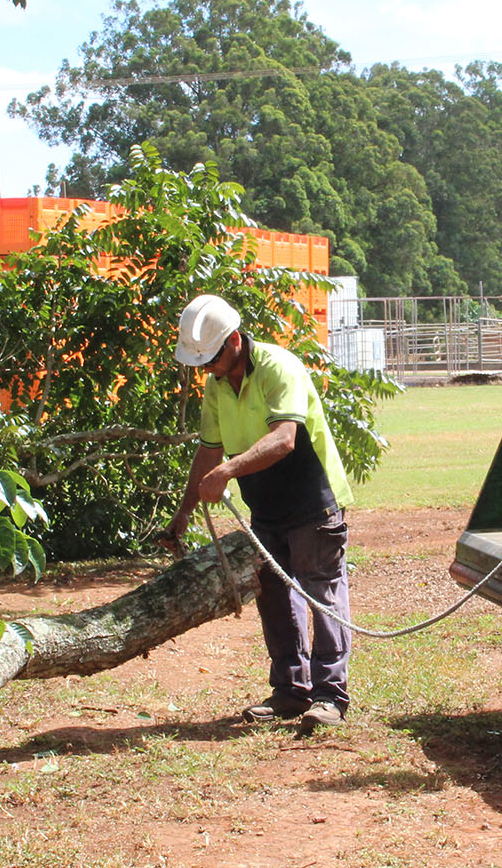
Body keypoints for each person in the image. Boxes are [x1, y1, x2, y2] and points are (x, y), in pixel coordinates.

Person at [160, 294, 354, 731]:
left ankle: (330, 696)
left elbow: (284, 439)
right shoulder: (216, 384)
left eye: (209, 359)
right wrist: (184, 512)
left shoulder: (277, 367)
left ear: (233, 342)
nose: (204, 370)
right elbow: (208, 450)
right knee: (273, 596)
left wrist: (228, 470)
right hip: (266, 506)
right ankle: (291, 691)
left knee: (321, 596)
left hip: (311, 498)